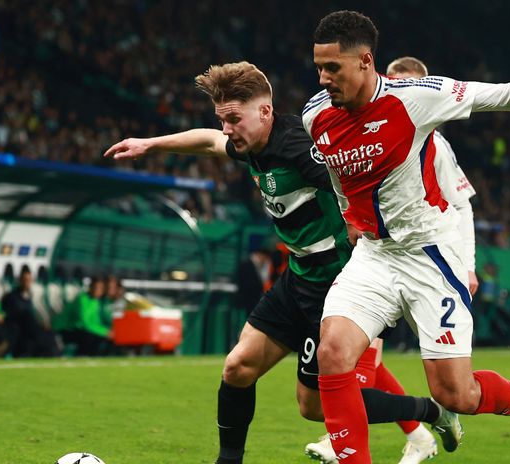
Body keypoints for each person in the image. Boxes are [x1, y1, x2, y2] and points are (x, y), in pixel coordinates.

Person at [302, 10, 510, 462]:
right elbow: (340, 174)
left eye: (333, 68)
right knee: (333, 353)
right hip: (376, 257)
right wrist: (349, 214)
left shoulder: (416, 99)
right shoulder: (316, 115)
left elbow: (505, 94)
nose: (323, 79)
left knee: (456, 395)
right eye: (319, 68)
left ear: (365, 61)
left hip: (430, 258)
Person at [104, 61, 458, 464]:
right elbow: (207, 141)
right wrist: (151, 144)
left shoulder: (300, 148)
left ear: (266, 112)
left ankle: (430, 411)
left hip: (335, 289)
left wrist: (361, 225)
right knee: (237, 367)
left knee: (315, 407)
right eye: (223, 120)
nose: (226, 130)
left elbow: (355, 182)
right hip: (298, 278)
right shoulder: (249, 144)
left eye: (234, 119)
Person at [305, 55, 482, 464]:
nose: (397, 90)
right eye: (393, 80)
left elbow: (462, 206)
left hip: (428, 260)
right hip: (378, 256)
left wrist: (467, 264)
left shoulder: (434, 143)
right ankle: (397, 434)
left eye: (408, 85)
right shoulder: (358, 122)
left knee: (439, 383)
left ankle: (409, 427)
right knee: (350, 350)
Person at [1, 267, 58, 357]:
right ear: (19, 280)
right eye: (24, 280)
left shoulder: (30, 297)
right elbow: (9, 315)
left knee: (48, 333)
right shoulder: (11, 297)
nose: (26, 282)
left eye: (28, 280)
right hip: (17, 329)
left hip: (29, 329)